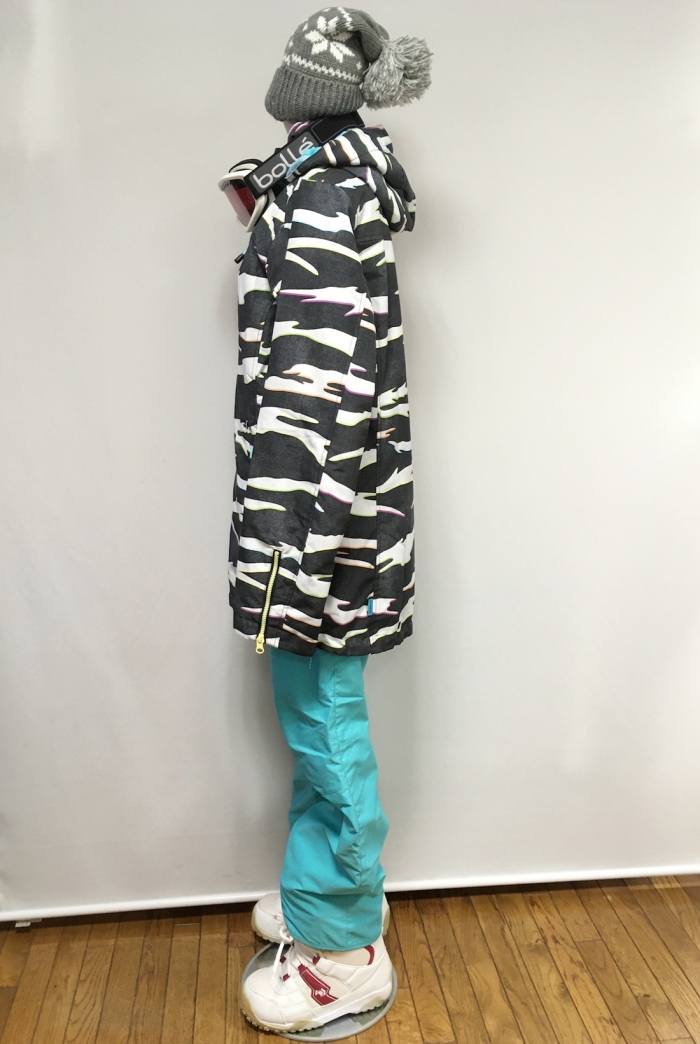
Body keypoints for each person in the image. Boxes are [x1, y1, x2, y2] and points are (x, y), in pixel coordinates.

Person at [226, 7, 431, 1033]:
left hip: (313, 521)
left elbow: (320, 395)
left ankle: (345, 949)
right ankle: (320, 895)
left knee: (323, 721)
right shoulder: (319, 176)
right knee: (313, 718)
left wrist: (287, 557)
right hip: (320, 510)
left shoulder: (324, 194)